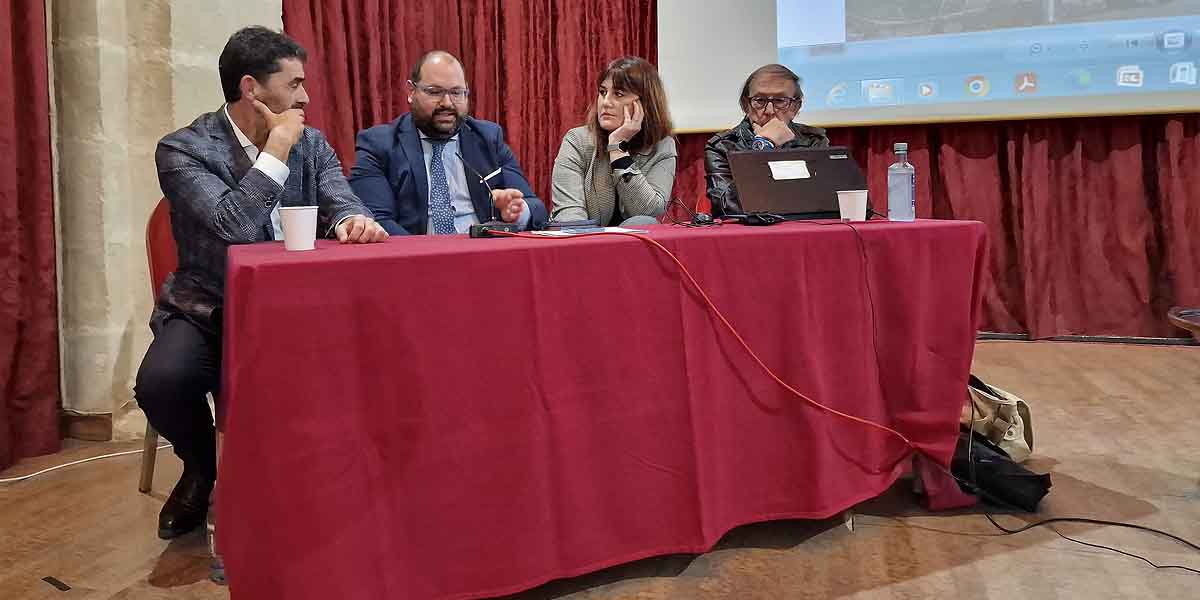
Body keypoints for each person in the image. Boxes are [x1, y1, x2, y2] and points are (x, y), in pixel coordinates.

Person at [135, 26, 387, 540]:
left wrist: (350, 223)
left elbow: (343, 201)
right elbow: (234, 227)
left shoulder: (311, 145)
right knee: (161, 382)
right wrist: (274, 150)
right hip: (210, 307)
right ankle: (203, 469)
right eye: (294, 84)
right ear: (252, 89)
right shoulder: (184, 149)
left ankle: (343, 490)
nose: (306, 97)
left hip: (299, 311)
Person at [350, 51, 547, 234]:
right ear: (411, 92)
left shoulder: (488, 138)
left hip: (484, 255)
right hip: (417, 260)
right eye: (435, 92)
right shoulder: (378, 144)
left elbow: (536, 208)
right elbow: (378, 220)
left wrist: (516, 212)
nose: (447, 103)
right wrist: (432, 259)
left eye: (456, 93)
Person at [551, 56, 676, 226]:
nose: (606, 102)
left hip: (633, 247)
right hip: (583, 244)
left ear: (645, 103)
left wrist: (618, 149)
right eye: (603, 92)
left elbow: (648, 212)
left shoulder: (663, 146)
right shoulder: (577, 141)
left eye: (618, 94)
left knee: (642, 222)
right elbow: (570, 217)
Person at [704, 64, 829, 218]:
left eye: (780, 101)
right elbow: (725, 207)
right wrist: (762, 145)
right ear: (745, 105)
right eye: (760, 100)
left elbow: (823, 202)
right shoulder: (722, 146)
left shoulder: (813, 142)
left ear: (796, 107)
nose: (770, 110)